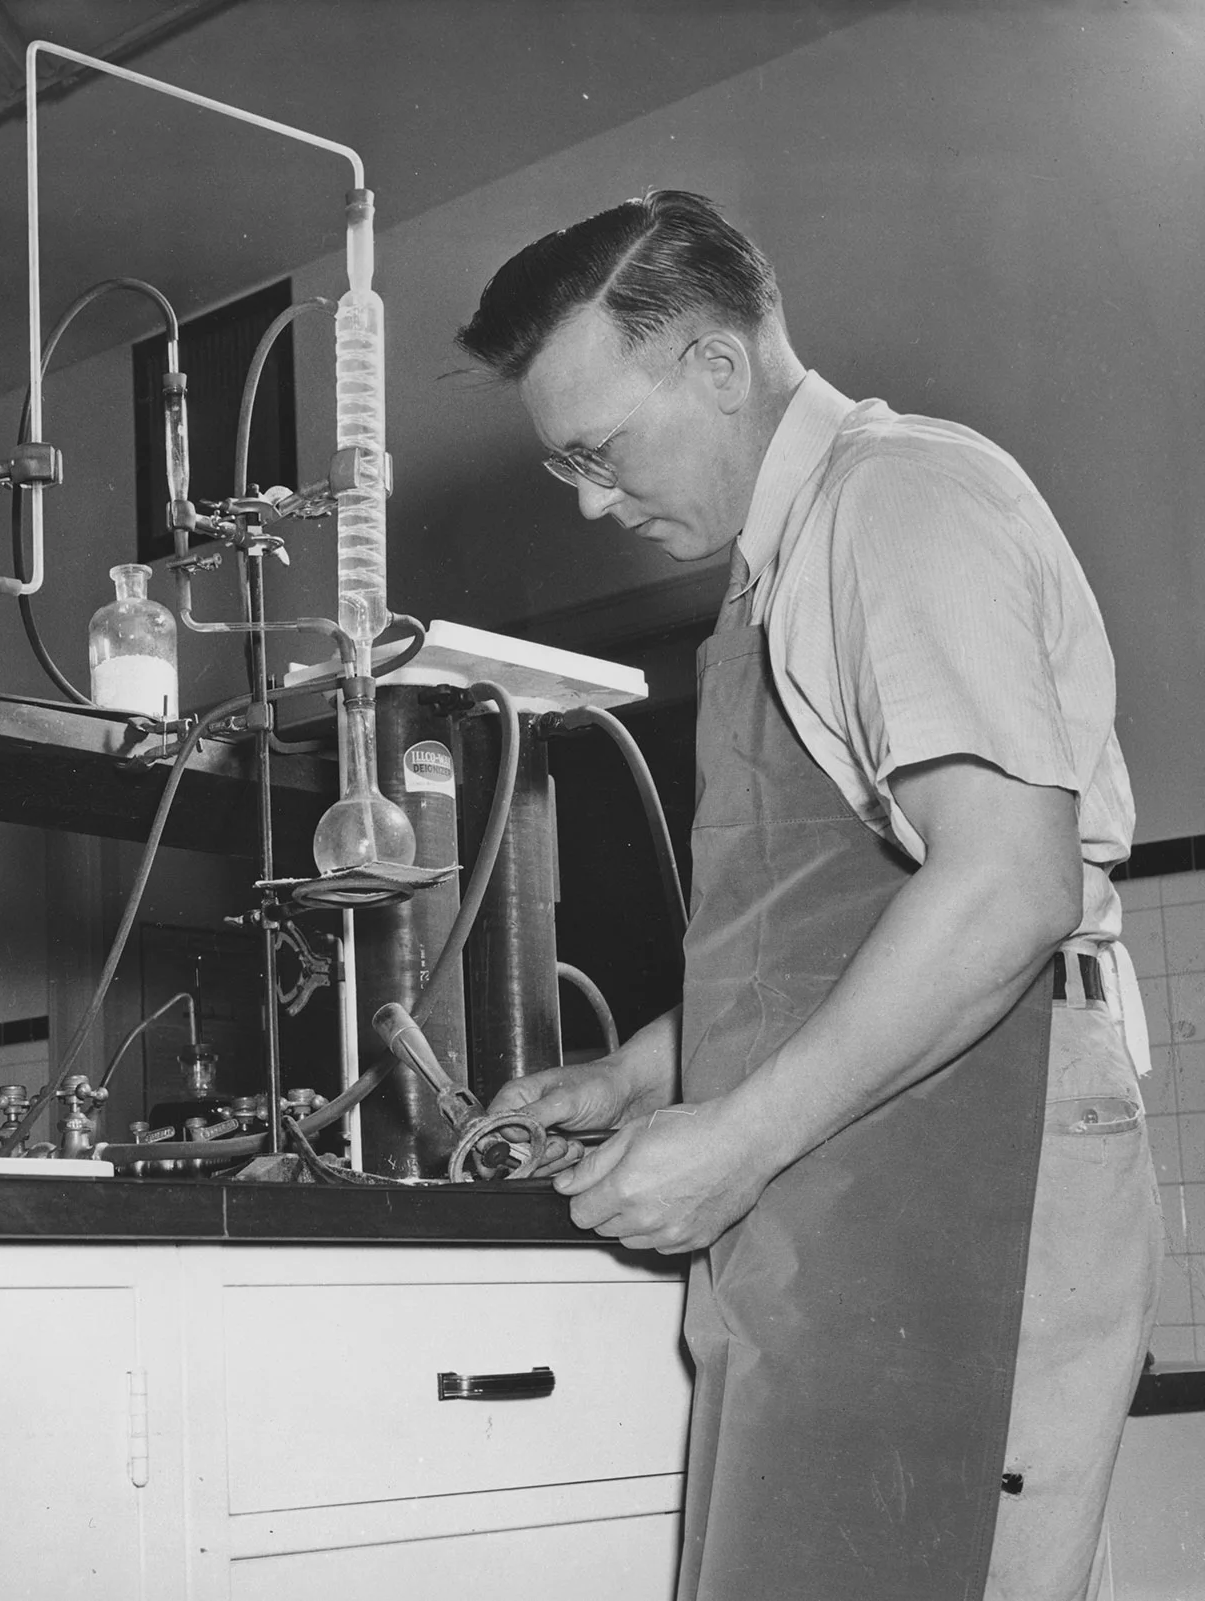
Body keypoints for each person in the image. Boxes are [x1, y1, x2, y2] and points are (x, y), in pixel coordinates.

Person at [458, 191, 1160, 1601]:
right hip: (870, 1134)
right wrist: (644, 1073)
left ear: (719, 364)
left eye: (601, 451)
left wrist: (737, 1138)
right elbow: (840, 919)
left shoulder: (897, 502)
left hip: (985, 1121)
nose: (592, 501)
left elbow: (1006, 886)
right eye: (564, 468)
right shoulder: (777, 567)